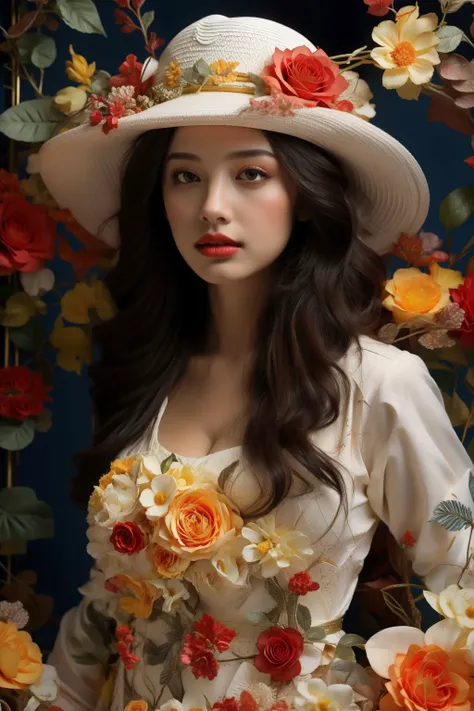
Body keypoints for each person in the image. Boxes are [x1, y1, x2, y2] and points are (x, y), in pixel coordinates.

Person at [38, 13, 474, 711]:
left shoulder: (378, 385)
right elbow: (107, 605)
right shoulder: (147, 376)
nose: (212, 207)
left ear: (302, 194)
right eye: (185, 176)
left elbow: (468, 570)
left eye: (250, 173)